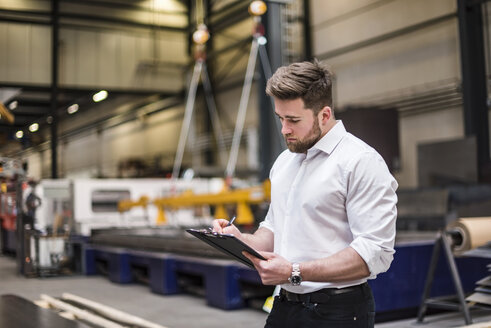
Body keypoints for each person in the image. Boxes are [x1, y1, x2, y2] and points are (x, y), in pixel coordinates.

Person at [213, 60, 398, 328]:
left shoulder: (360, 162)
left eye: (293, 120)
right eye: (280, 118)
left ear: (324, 115)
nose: (284, 129)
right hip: (286, 304)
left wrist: (294, 271)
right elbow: (274, 229)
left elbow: (375, 252)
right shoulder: (286, 162)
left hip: (339, 311)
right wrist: (240, 240)